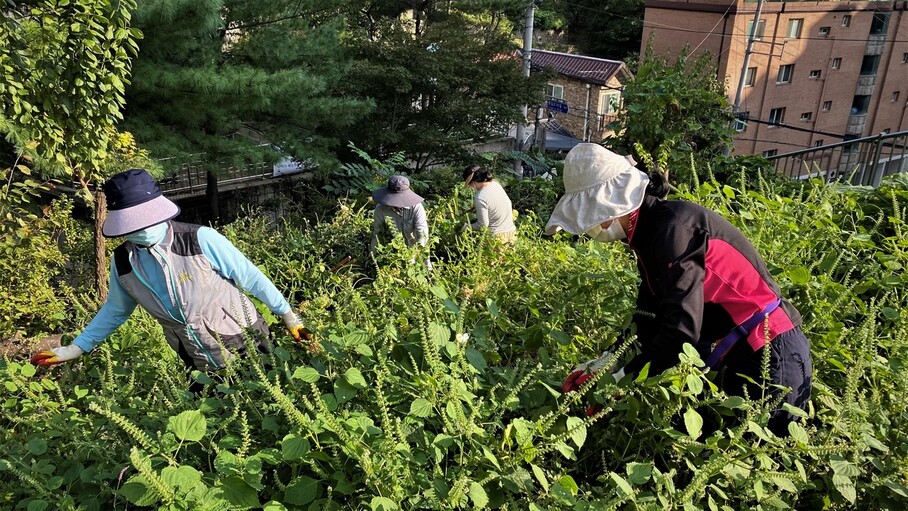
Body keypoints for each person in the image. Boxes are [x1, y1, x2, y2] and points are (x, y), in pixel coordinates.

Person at [548, 144, 812, 435]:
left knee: (762, 452)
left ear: (612, 205)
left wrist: (623, 379)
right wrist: (606, 361)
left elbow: (680, 331)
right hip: (737, 354)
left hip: (772, 352)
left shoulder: (674, 230)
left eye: (592, 217)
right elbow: (649, 317)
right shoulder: (648, 236)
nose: (592, 228)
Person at [31, 168, 313, 384]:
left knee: (268, 400)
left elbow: (251, 278)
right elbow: (116, 309)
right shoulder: (125, 262)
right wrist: (77, 347)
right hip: (193, 354)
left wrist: (289, 317)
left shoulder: (198, 239)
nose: (142, 228)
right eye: (133, 222)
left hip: (245, 341)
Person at [370, 175, 429, 253]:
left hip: (414, 249)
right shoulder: (381, 209)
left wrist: (416, 254)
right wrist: (373, 255)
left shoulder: (416, 207)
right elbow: (378, 234)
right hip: (391, 251)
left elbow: (422, 233)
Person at [462, 164, 517, 243]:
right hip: (511, 232)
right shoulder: (496, 184)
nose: (470, 187)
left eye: (469, 185)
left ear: (473, 182)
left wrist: (467, 227)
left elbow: (483, 224)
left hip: (497, 238)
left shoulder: (480, 197)